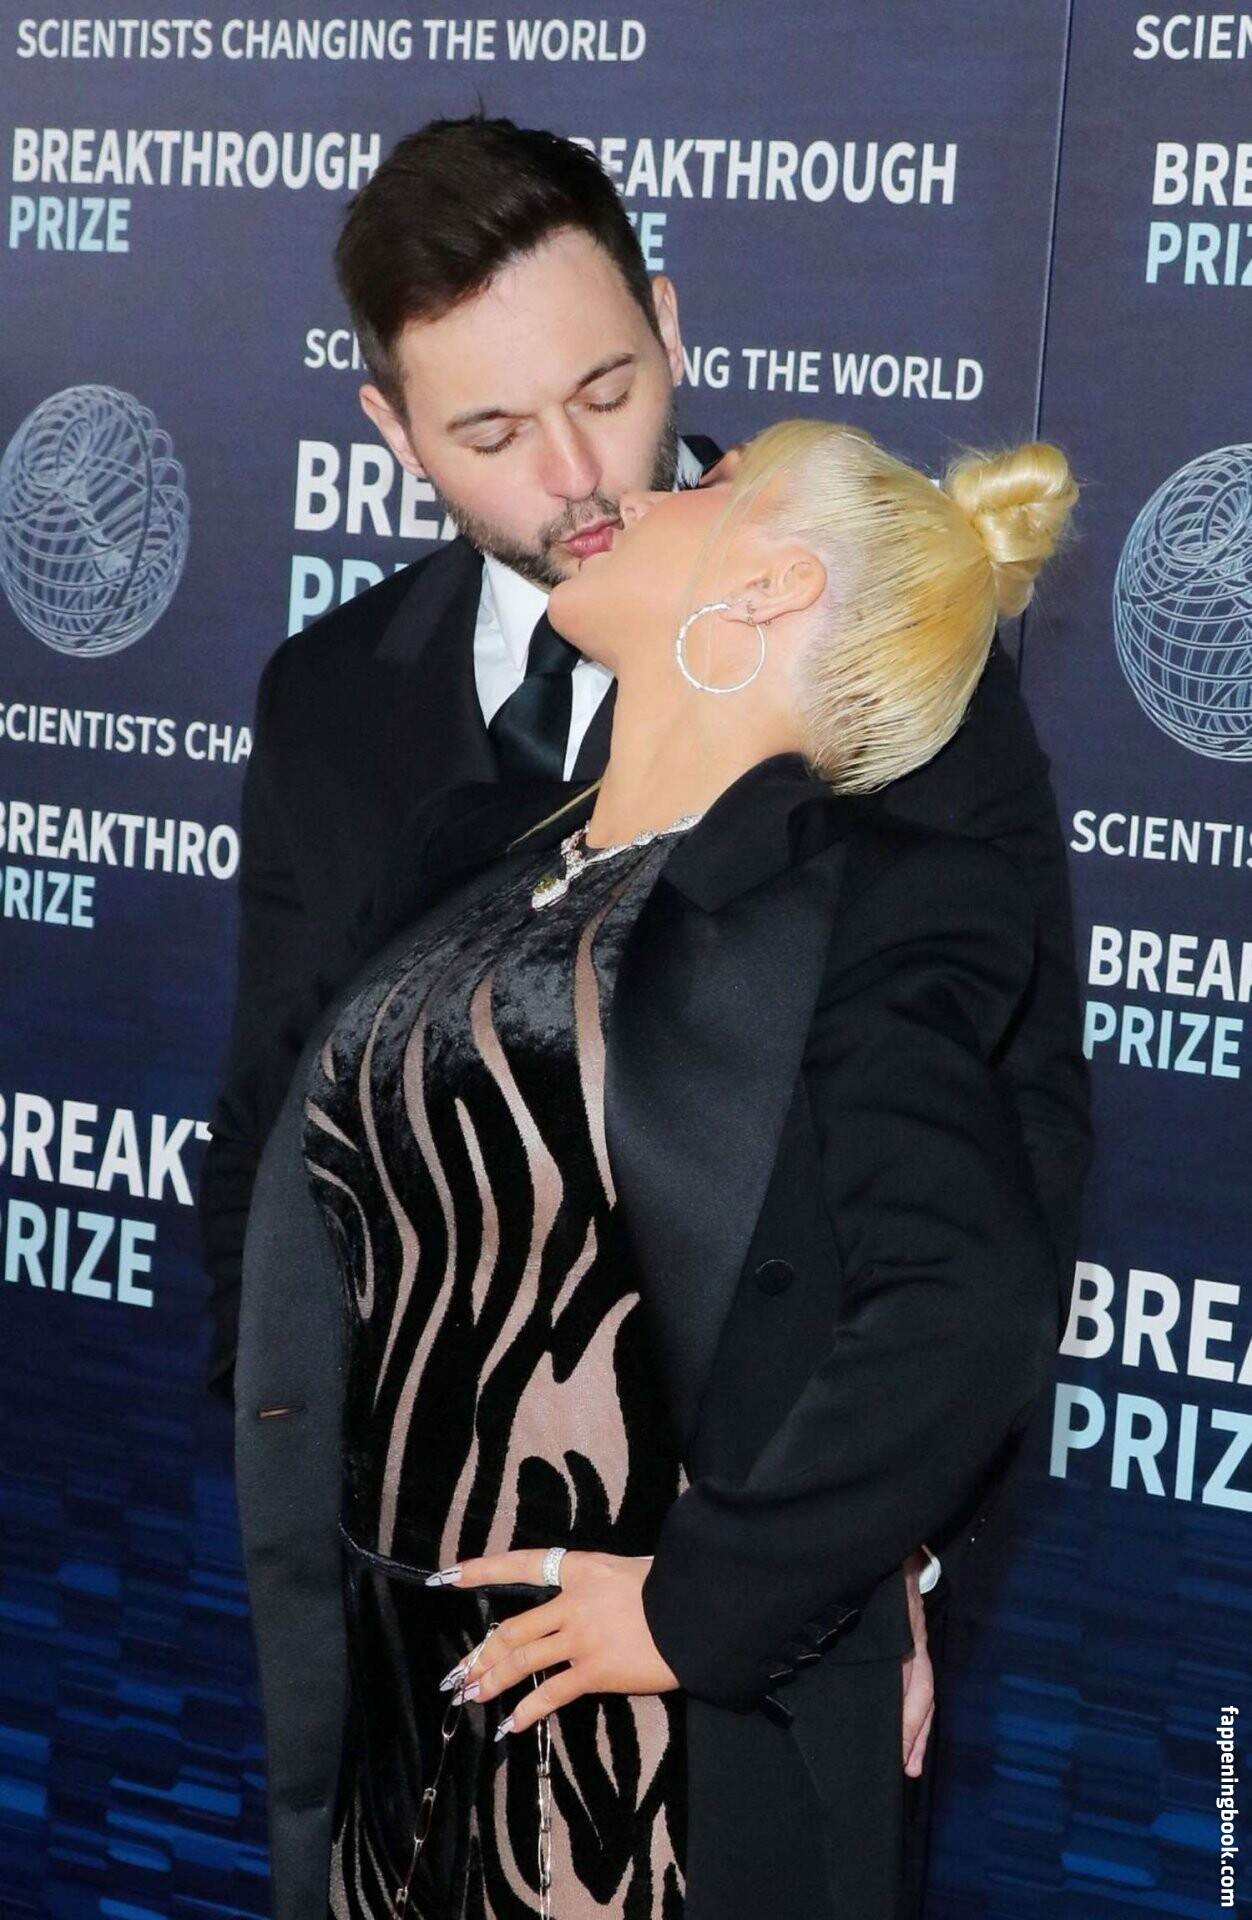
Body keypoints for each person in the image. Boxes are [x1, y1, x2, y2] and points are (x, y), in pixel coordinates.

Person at [233, 418, 1077, 1920]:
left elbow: (965, 1299)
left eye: (708, 490)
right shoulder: (478, 848)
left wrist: (708, 1610)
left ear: (772, 583)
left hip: (638, 1772)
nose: (633, 492)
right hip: (398, 1711)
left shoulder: (870, 902)